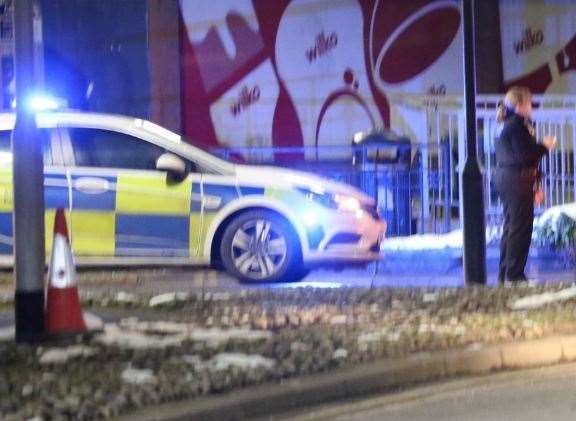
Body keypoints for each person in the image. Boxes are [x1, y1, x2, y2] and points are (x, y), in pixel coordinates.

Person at [494, 86, 556, 284]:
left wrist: (536, 185)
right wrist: (544, 146)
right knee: (520, 228)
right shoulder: (516, 126)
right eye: (528, 102)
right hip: (515, 180)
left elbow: (526, 159)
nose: (531, 106)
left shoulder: (516, 125)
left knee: (512, 227)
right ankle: (514, 275)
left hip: (513, 180)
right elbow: (526, 156)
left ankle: (506, 274)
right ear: (520, 105)